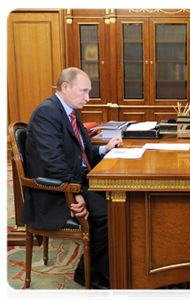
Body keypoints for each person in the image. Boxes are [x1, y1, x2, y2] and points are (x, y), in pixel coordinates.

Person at [21, 67, 123, 292]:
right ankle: (86, 272)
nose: (88, 98)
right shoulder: (47, 112)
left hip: (75, 180)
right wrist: (75, 193)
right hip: (54, 191)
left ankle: (107, 266)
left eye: (89, 92)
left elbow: (80, 153)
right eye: (84, 91)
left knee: (122, 197)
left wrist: (104, 149)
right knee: (110, 210)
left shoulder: (71, 111)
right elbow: (53, 161)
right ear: (65, 87)